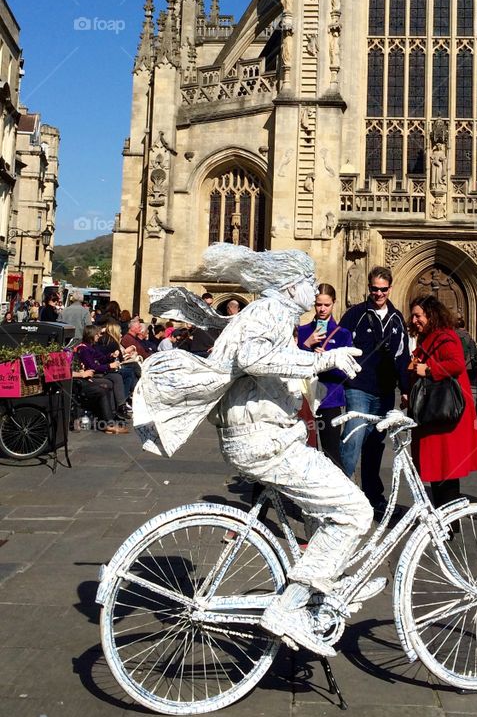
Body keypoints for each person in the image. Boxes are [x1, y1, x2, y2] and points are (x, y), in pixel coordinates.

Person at [133, 243, 371, 658]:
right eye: (310, 283)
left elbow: (272, 361)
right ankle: (291, 606)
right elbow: (256, 357)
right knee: (355, 513)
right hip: (264, 441)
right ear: (292, 285)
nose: (314, 292)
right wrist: (320, 361)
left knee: (321, 509)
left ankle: (323, 586)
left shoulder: (272, 312)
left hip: (270, 435)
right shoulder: (271, 311)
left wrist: (317, 367)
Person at [338, 265, 409, 519]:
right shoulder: (355, 314)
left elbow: (403, 356)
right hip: (358, 387)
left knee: (375, 445)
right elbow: (339, 344)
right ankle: (342, 496)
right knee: (353, 440)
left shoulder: (397, 318)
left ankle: (371, 496)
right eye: (374, 289)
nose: (378, 293)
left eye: (383, 289)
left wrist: (406, 389)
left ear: (390, 289)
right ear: (369, 288)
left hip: (384, 391)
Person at [407, 295, 477, 509]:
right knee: (438, 468)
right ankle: (446, 516)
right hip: (434, 411)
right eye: (413, 316)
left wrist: (429, 370)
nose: (414, 320)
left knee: (446, 468)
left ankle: (450, 520)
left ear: (431, 315)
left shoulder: (445, 336)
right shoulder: (429, 337)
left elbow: (456, 364)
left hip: (445, 411)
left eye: (418, 316)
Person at [297, 283, 352, 469]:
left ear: (333, 304)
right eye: (318, 304)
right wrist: (306, 345)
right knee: (304, 450)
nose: (322, 309)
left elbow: (345, 372)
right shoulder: (303, 331)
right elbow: (291, 363)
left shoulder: (343, 334)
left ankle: (337, 494)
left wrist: (326, 361)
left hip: (330, 398)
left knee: (331, 451)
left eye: (326, 305)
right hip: (304, 398)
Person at [72, 324, 130, 431]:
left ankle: (117, 409)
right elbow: (92, 366)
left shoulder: (90, 347)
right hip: (91, 374)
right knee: (109, 383)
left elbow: (101, 358)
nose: (99, 336)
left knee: (117, 377)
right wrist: (109, 366)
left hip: (96, 372)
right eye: (97, 334)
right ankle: (111, 415)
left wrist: (111, 356)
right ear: (91, 335)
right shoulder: (83, 349)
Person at [453, 313, 477, 389]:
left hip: (456, 358)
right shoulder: (467, 335)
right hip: (466, 359)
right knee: (464, 377)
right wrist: (473, 357)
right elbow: (472, 347)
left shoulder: (453, 334)